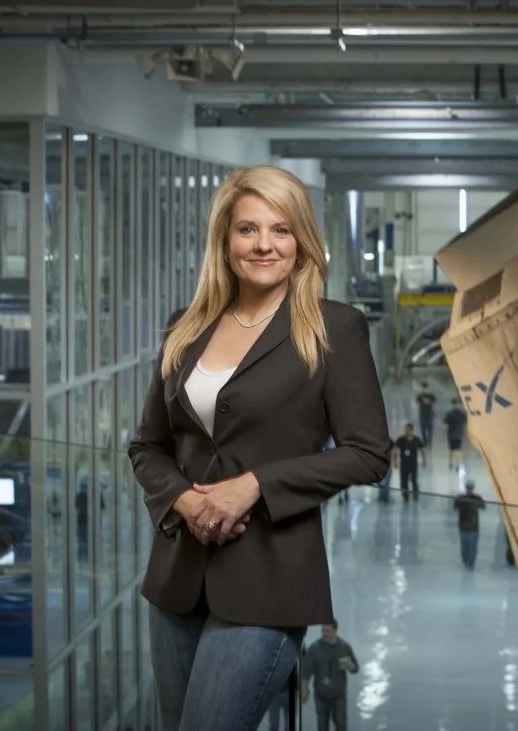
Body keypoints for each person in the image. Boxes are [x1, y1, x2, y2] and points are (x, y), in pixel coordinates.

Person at [128, 166, 390, 731]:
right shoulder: (186, 327)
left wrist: (254, 486)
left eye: (281, 229)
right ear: (225, 241)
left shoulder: (333, 328)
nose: (264, 245)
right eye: (248, 229)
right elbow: (148, 446)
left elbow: (369, 453)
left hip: (269, 580)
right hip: (177, 580)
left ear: (302, 241)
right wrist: (183, 500)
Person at [301, 621, 359, 731]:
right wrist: (304, 689)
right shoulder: (314, 649)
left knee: (341, 726)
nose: (325, 634)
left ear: (335, 631)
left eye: (328, 631)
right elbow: (305, 672)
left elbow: (355, 669)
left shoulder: (344, 647)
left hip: (339, 695)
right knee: (322, 726)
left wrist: (349, 665)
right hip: (321, 695)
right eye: (323, 631)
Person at [454, 479, 486, 569]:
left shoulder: (476, 498)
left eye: (470, 488)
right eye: (468, 488)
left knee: (472, 547)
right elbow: (455, 505)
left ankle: (470, 563)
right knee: (465, 547)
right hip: (464, 527)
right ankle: (466, 562)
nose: (469, 489)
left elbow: (483, 505)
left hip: (473, 527)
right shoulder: (461, 498)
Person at [394, 423, 426, 502]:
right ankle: (405, 495)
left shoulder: (417, 439)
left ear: (412, 430)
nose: (406, 431)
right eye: (405, 430)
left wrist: (424, 460)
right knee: (404, 479)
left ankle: (415, 494)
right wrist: (395, 461)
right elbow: (395, 449)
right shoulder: (401, 439)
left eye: (408, 430)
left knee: (414, 479)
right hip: (404, 462)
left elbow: (422, 450)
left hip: (413, 463)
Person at [442, 398, 468, 471]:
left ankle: (450, 463)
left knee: (451, 450)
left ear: (451, 405)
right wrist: (465, 432)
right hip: (459, 435)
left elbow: (446, 425)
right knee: (458, 450)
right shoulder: (462, 414)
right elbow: (465, 424)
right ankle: (457, 464)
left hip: (451, 435)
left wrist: (444, 432)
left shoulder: (449, 414)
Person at [416, 381, 437, 448]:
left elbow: (434, 404)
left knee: (430, 428)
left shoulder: (431, 395)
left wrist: (435, 412)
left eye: (425, 388)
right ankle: (425, 441)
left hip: (429, 414)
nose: (424, 389)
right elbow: (417, 402)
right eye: (423, 388)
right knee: (423, 428)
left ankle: (429, 442)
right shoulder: (420, 395)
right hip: (422, 414)